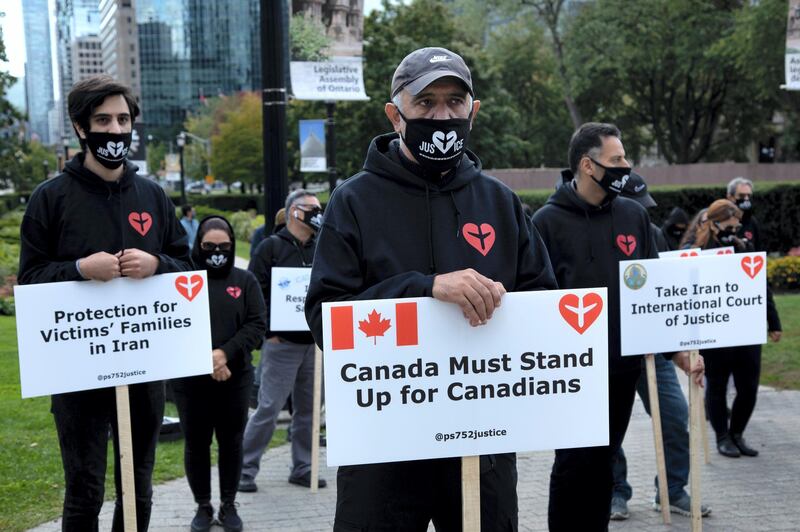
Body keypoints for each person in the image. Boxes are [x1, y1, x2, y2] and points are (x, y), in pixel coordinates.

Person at [305, 46, 557, 531]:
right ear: (394, 113)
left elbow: (542, 308)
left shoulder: (500, 203)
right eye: (425, 103)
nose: (441, 116)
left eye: (454, 102)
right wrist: (424, 289)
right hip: (382, 450)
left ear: (473, 112)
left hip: (480, 446)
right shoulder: (353, 201)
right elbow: (326, 318)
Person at [18, 75, 191, 531]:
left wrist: (157, 263)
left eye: (122, 119)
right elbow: (31, 280)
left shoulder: (152, 195)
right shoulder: (50, 199)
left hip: (143, 365)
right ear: (80, 128)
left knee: (138, 486)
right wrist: (78, 270)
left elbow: (185, 265)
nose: (115, 130)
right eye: (102, 120)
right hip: (76, 370)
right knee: (85, 488)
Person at [531, 122, 704, 531]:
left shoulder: (634, 215)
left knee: (604, 460)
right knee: (573, 463)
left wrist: (680, 354)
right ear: (588, 166)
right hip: (569, 375)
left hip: (622, 370)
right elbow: (535, 298)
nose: (627, 166)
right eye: (618, 159)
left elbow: (652, 298)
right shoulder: (546, 223)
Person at [609, 172, 710, 520]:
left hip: (653, 352)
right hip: (608, 353)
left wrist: (674, 348)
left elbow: (662, 292)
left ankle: (672, 489)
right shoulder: (588, 229)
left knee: (674, 416)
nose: (641, 214)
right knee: (608, 430)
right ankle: (615, 491)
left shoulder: (651, 234)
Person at [171, 216, 266, 532]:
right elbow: (172, 327)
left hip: (234, 377)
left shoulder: (245, 280)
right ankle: (202, 506)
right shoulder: (183, 280)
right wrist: (207, 360)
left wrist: (224, 354)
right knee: (196, 443)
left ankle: (228, 504)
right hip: (191, 380)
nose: (217, 252)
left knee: (231, 442)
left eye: (224, 247)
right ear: (198, 245)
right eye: (209, 246)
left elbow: (256, 324)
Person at [681, 199, 781, 458]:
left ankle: (737, 432)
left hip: (746, 328)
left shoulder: (744, 249)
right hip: (716, 331)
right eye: (728, 227)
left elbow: (761, 284)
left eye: (736, 228)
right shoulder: (696, 251)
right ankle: (722, 436)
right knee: (717, 385)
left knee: (748, 386)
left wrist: (773, 320)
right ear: (712, 224)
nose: (732, 232)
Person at [239, 190, 324, 492]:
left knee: (309, 410)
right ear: (293, 212)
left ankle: (304, 467)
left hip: (314, 345)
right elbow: (254, 291)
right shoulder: (269, 248)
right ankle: (244, 471)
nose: (318, 213)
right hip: (281, 345)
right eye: (311, 208)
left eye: (319, 208)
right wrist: (268, 332)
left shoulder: (322, 248)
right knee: (269, 409)